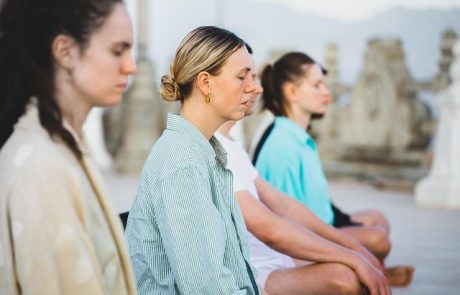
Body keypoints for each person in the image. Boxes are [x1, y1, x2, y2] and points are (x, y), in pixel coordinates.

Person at [216, 51, 390, 295]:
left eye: (254, 78)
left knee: (374, 228)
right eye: (242, 78)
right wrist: (352, 255)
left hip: (275, 255)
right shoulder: (277, 145)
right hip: (258, 268)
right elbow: (274, 225)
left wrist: (354, 252)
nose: (256, 89)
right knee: (350, 272)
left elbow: (284, 205)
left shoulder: (232, 145)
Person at [0, 0, 137, 294]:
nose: (131, 66)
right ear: (66, 52)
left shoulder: (62, 147)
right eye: (118, 50)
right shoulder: (41, 166)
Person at [253, 52, 414, 285]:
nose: (327, 93)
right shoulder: (282, 145)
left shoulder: (298, 136)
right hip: (306, 236)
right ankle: (374, 274)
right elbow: (285, 219)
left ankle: (376, 271)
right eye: (317, 85)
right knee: (378, 240)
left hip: (324, 222)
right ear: (293, 92)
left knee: (378, 218)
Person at [125, 26, 261, 294]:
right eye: (241, 77)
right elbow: (207, 287)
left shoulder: (203, 153)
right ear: (206, 82)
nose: (253, 87)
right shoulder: (184, 163)